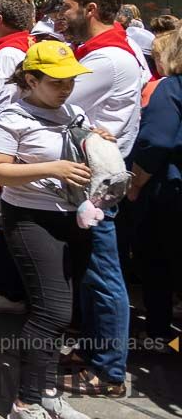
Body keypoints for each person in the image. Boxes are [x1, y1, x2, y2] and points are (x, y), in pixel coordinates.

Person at [0, 41, 97, 419]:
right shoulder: (11, 116)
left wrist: (98, 143)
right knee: (52, 313)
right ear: (31, 80)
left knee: (59, 312)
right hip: (30, 218)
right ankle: (26, 402)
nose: (66, 88)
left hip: (74, 218)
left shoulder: (74, 112)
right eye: (56, 81)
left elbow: (82, 152)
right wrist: (53, 168)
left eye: (70, 80)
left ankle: (47, 393)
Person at [58, 0, 148, 398]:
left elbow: (54, 99)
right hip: (92, 176)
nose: (62, 14)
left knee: (103, 274)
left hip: (97, 182)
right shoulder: (103, 52)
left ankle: (109, 371)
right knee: (92, 273)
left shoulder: (108, 57)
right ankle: (92, 352)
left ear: (90, 10)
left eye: (67, 6)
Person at [127, 29, 182, 345]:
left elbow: (155, 142)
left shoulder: (172, 88)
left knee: (157, 262)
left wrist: (136, 182)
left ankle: (160, 335)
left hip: (169, 194)